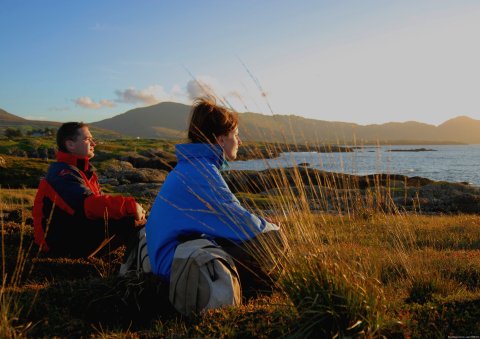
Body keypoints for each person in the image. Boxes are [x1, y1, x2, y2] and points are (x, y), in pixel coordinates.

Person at [146, 97, 282, 296]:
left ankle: (250, 290)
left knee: (256, 235)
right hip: (179, 270)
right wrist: (272, 227)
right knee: (274, 239)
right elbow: (241, 223)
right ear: (220, 140)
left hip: (171, 260)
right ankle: (257, 293)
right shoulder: (202, 172)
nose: (240, 141)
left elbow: (226, 215)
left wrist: (260, 221)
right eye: (236, 134)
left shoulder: (192, 166)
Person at [33, 122, 147, 258]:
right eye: (88, 139)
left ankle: (143, 259)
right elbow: (88, 205)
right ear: (70, 144)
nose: (94, 143)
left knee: (128, 217)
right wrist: (130, 206)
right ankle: (140, 265)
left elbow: (99, 206)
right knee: (127, 220)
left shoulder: (83, 172)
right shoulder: (62, 173)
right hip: (55, 246)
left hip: (73, 233)